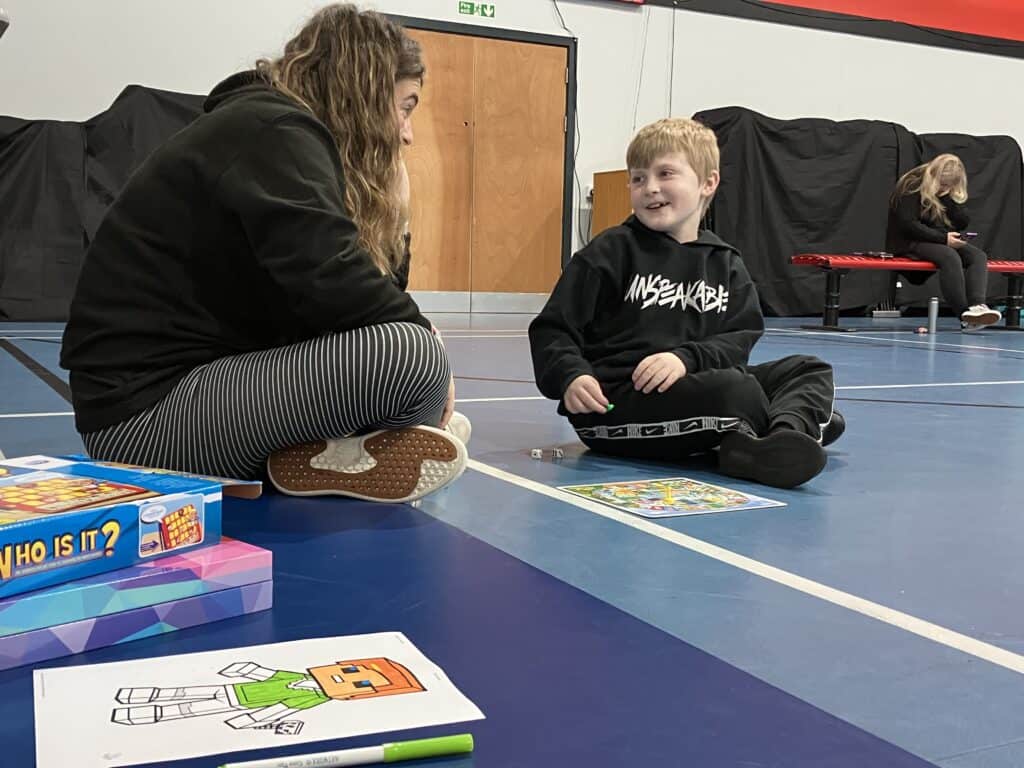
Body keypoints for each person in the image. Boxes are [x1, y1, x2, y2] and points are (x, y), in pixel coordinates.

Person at [60, 4, 470, 503]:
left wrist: (396, 225)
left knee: (410, 357)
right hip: (142, 423)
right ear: (364, 88)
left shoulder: (278, 133)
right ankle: (344, 449)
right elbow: (334, 284)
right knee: (414, 358)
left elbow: (355, 300)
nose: (407, 132)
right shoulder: (273, 130)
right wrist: (431, 345)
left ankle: (328, 455)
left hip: (189, 396)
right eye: (405, 106)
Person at [528, 118, 844, 489]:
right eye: (638, 178)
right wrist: (572, 376)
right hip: (618, 403)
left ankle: (784, 437)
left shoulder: (725, 262)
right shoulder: (610, 252)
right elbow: (553, 328)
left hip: (698, 384)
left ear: (707, 183)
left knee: (808, 369)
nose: (650, 188)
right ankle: (785, 424)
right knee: (737, 393)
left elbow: (740, 337)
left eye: (665, 174)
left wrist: (686, 359)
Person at [886, 153, 1001, 329]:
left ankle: (977, 306)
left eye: (948, 186)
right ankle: (964, 315)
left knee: (977, 256)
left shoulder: (944, 191)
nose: (943, 188)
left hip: (935, 238)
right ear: (934, 176)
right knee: (949, 255)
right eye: (942, 184)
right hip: (907, 241)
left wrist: (947, 198)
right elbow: (908, 225)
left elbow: (962, 222)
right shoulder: (912, 184)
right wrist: (944, 239)